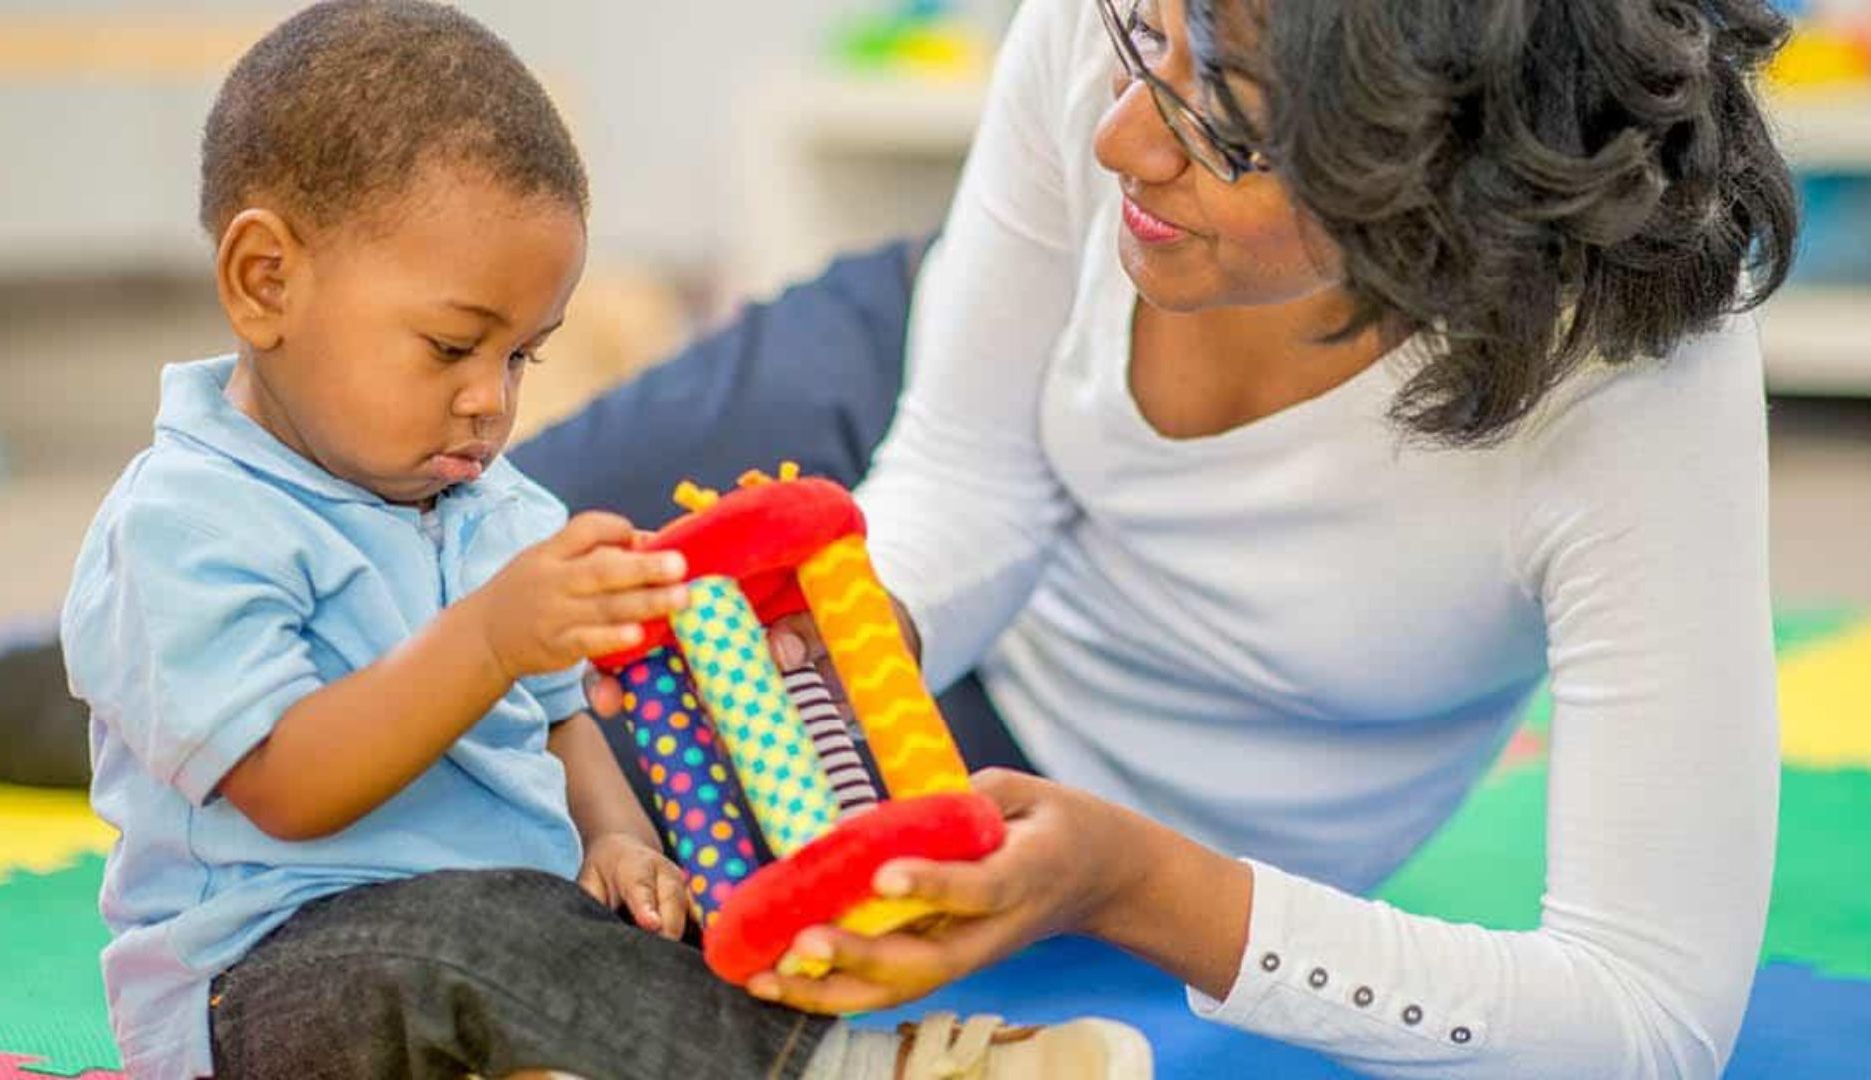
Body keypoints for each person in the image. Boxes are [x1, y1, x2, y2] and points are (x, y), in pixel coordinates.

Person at [582, 0, 1787, 1074]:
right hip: (881, 423)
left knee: (555, 899)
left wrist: (1140, 887)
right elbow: (966, 464)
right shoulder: (1121, 41)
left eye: (1230, 133)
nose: (1122, 140)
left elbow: (1649, 1019)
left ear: (1443, 171)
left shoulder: (1638, 389)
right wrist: (849, 635)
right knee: (434, 603)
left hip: (1116, 812)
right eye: (1137, 37)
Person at [56, 3, 1148, 1078]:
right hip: (271, 984)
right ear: (265, 281)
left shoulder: (491, 509)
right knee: (469, 942)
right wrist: (488, 640)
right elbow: (288, 786)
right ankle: (857, 1072)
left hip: (506, 935)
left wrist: (615, 839)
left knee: (671, 917)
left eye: (524, 357)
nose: (490, 401)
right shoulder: (186, 523)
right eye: (450, 347)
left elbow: (566, 719)